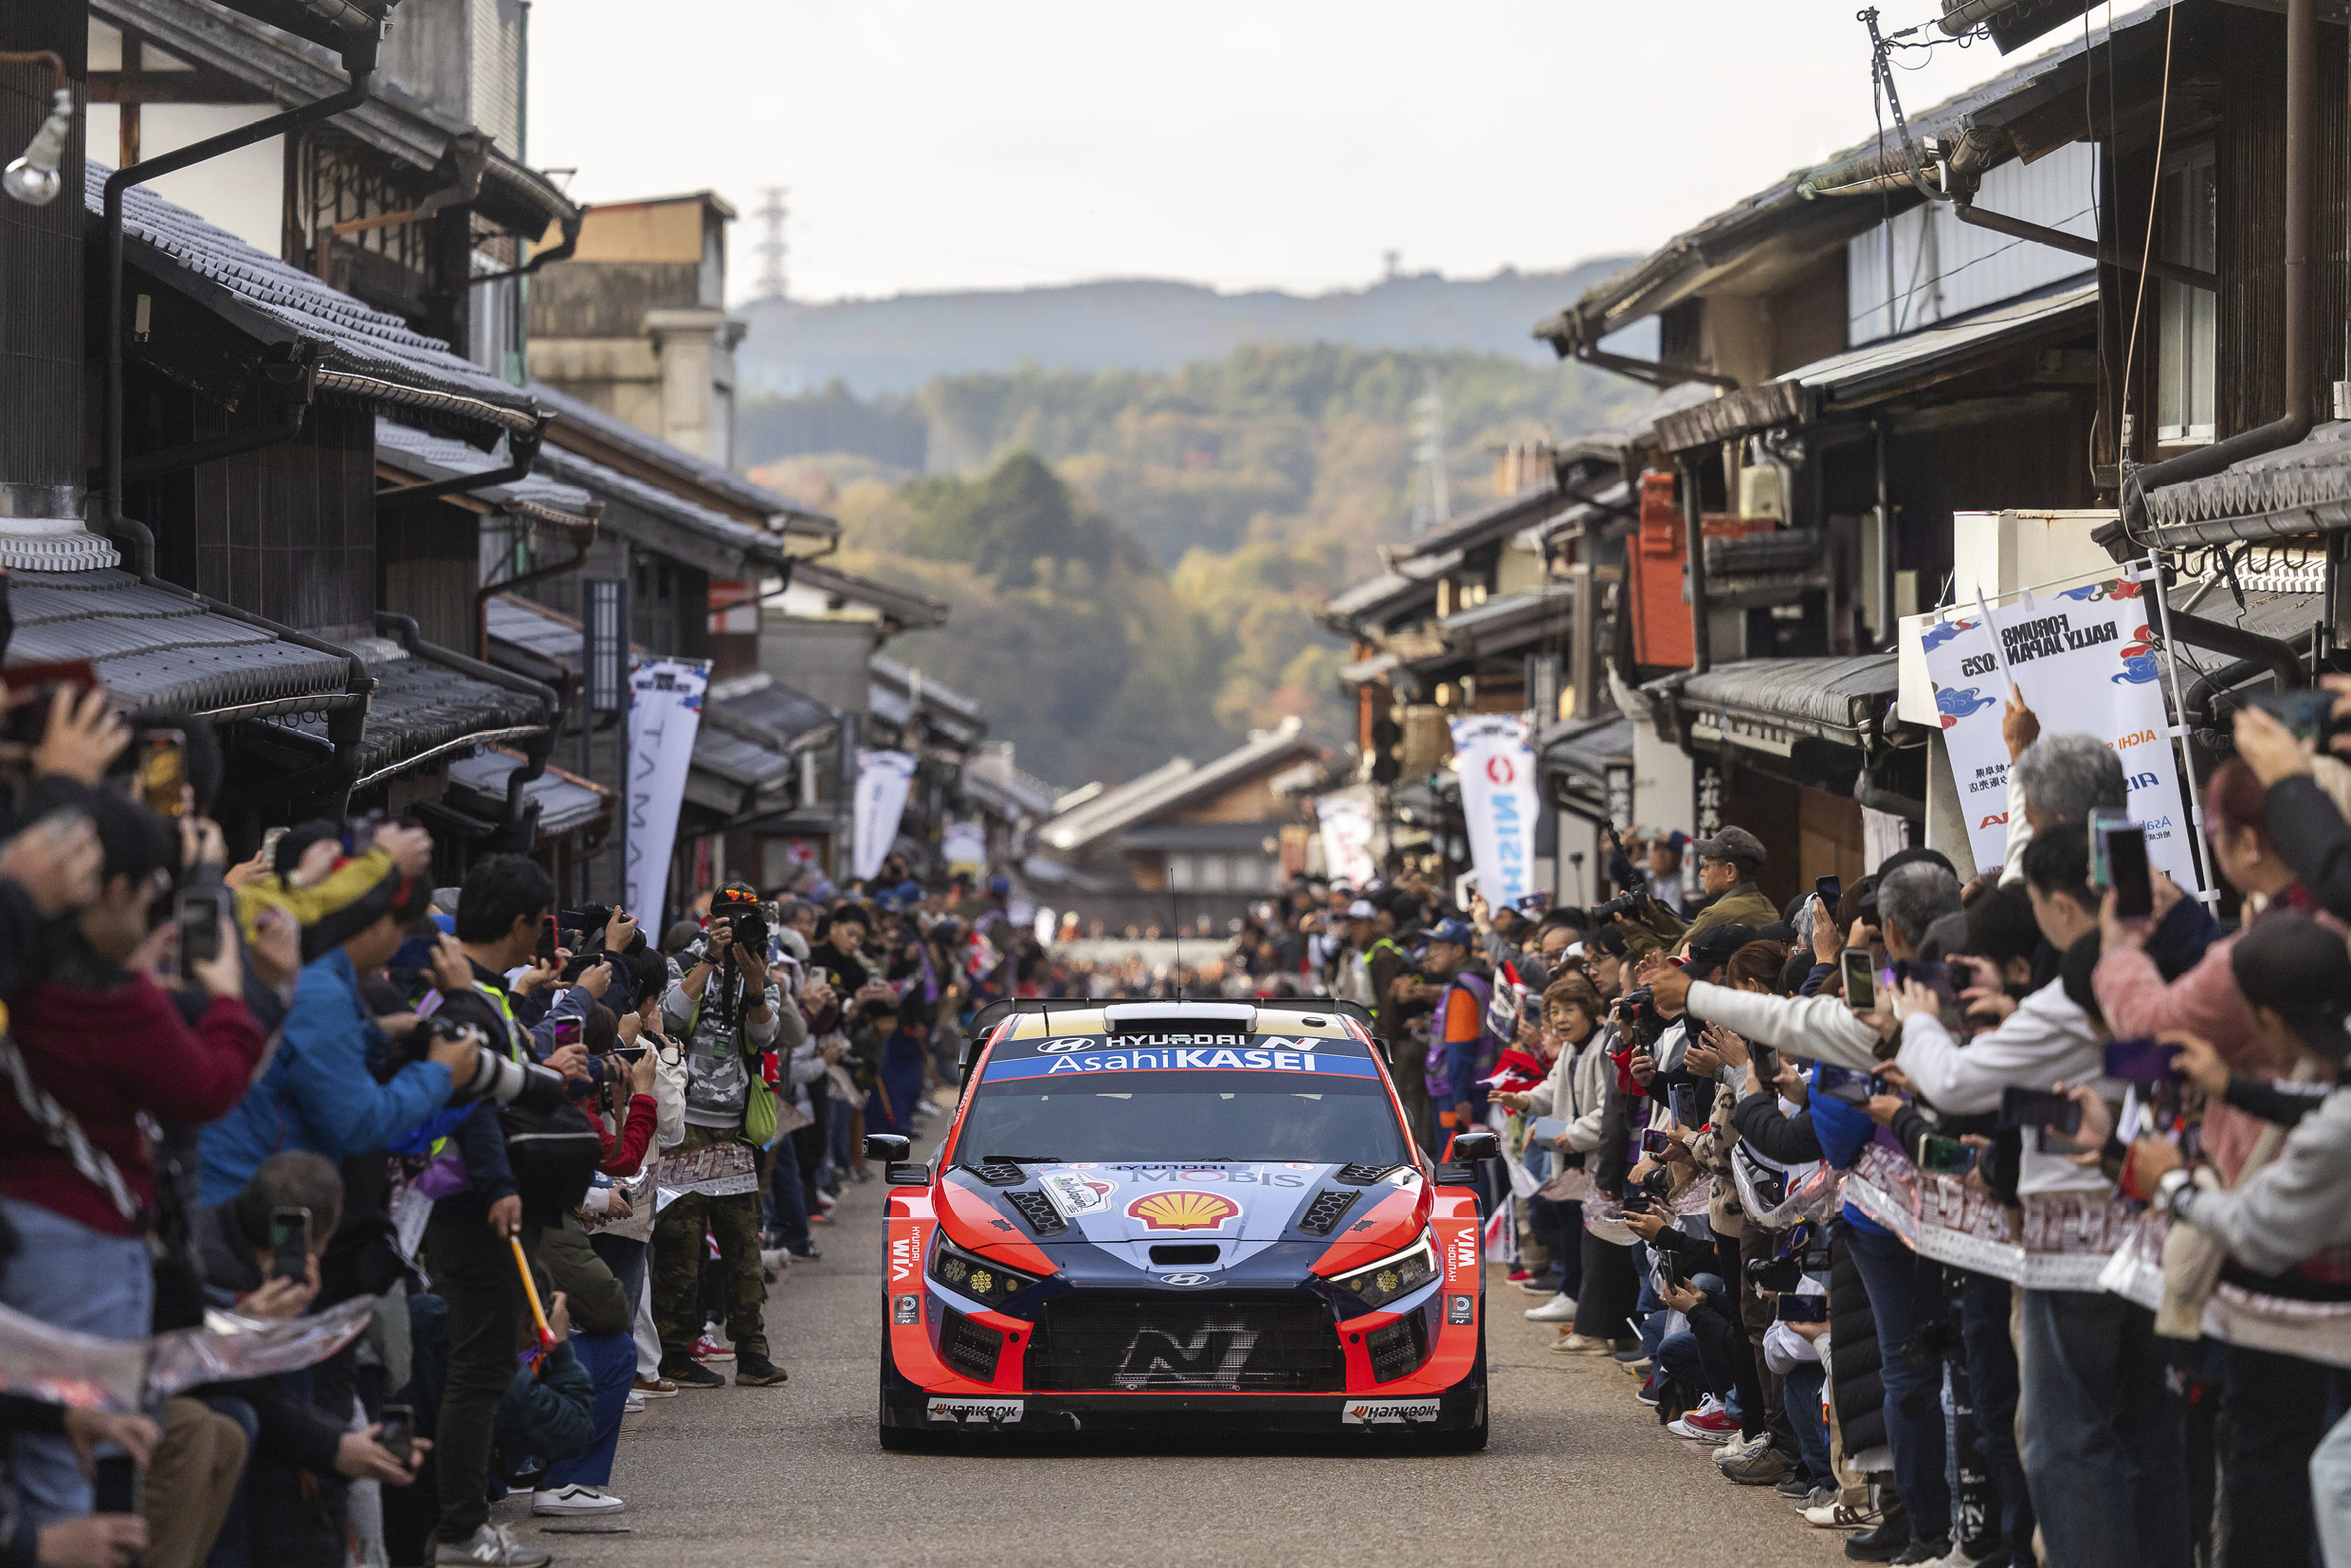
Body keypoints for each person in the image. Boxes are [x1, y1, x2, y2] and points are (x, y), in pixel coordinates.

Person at [0, 788, 266, 1526]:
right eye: (150, 891)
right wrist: (230, 997)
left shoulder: (26, 981)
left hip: (24, 1229)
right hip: (78, 1243)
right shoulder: (101, 999)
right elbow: (204, 1085)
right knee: (84, 1462)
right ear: (108, 888)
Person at [418, 856, 558, 1568]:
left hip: (466, 1201)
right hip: (474, 1205)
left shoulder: (476, 992)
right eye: (540, 925)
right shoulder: (464, 999)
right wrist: (501, 1183)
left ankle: (464, 1526)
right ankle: (461, 1533)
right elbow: (471, 1102)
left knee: (483, 1367)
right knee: (477, 1373)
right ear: (521, 925)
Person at [652, 884, 789, 1391]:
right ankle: (675, 1353)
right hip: (685, 1124)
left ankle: (752, 1352)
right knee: (680, 1245)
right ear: (711, 920)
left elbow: (765, 1038)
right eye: (727, 918)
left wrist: (754, 987)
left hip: (734, 1126)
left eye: (745, 918)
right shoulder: (682, 962)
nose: (736, 927)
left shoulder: (762, 968)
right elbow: (669, 1019)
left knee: (742, 1245)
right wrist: (708, 961)